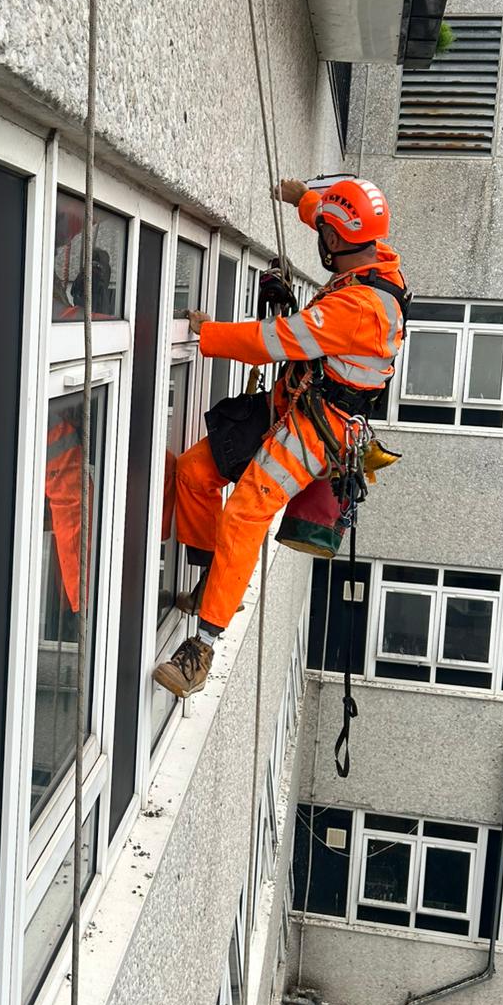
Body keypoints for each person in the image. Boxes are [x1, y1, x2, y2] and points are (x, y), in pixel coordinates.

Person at [153, 176, 409, 699]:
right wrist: (302, 200)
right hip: (295, 401)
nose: (322, 240)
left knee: (245, 511)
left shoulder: (359, 307)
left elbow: (274, 341)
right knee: (195, 474)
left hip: (318, 427)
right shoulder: (373, 259)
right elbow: (330, 220)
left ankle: (202, 648)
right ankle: (211, 577)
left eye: (324, 233)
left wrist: (208, 332)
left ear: (335, 239)